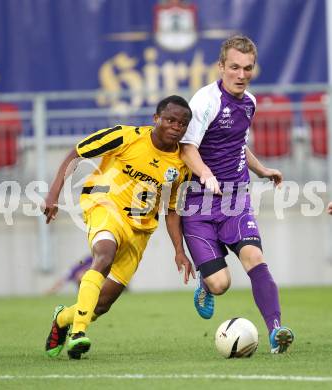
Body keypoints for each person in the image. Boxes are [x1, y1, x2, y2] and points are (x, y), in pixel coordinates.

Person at [44, 95, 195, 359]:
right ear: (156, 119)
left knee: (102, 304)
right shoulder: (126, 137)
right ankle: (78, 333)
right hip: (105, 206)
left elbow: (172, 209)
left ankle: (63, 319)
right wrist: (53, 194)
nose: (176, 127)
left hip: (140, 230)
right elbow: (77, 153)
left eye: (182, 124)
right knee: (103, 255)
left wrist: (179, 250)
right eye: (170, 120)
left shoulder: (183, 165)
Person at [179, 35, 294, 354]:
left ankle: (275, 331)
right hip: (198, 205)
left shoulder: (250, 103)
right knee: (221, 284)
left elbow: (236, 144)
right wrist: (206, 174)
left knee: (255, 257)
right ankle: (207, 282)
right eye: (234, 67)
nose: (241, 74)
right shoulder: (204, 101)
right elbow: (187, 147)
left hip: (235, 199)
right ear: (221, 67)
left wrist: (262, 170)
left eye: (248, 68)